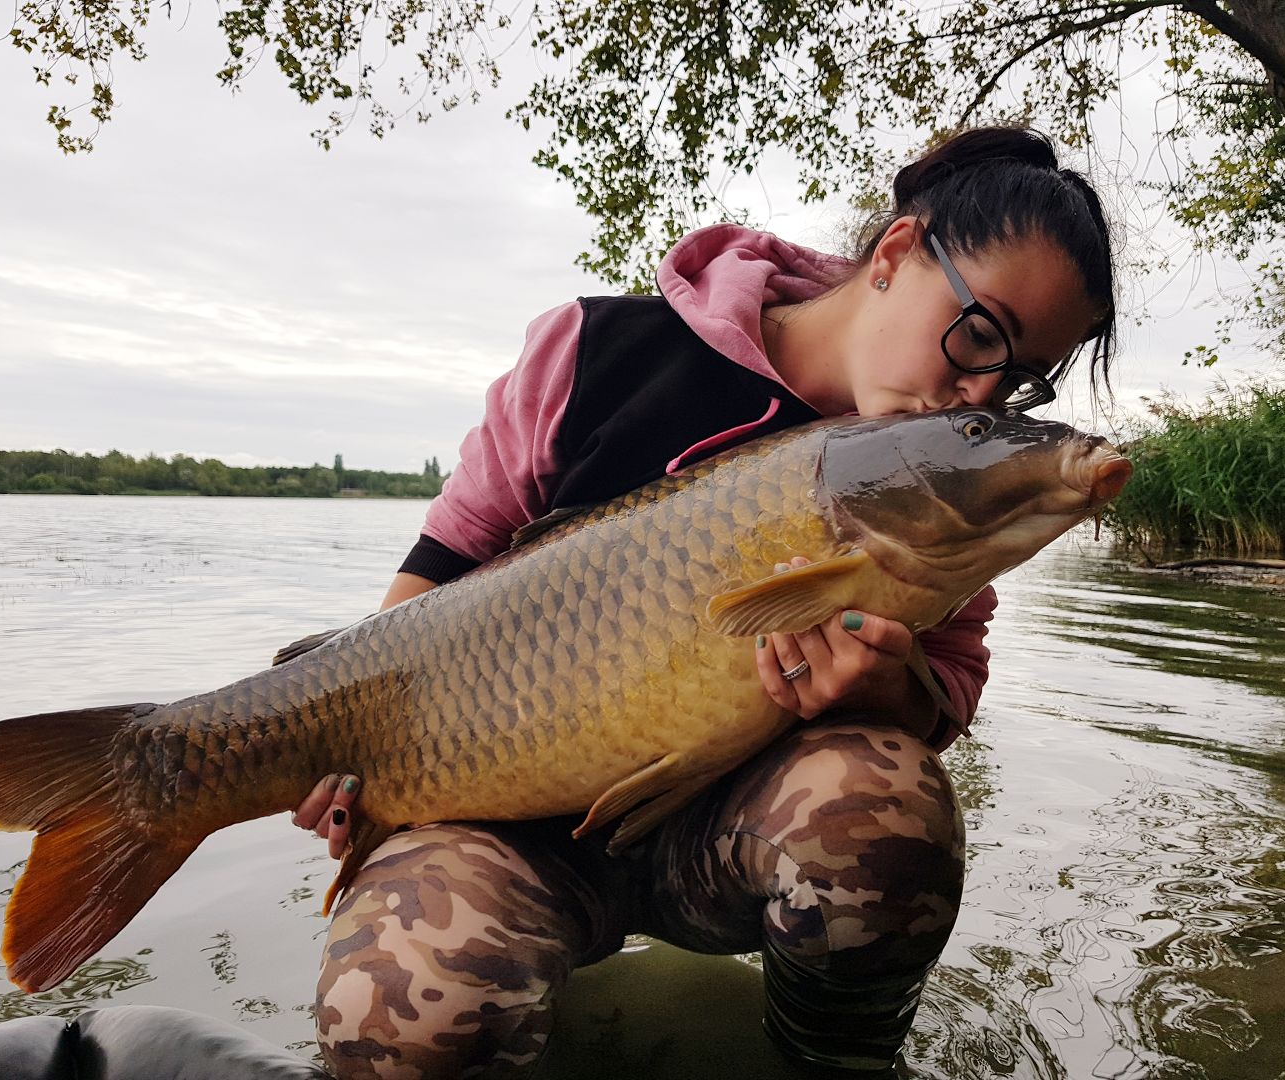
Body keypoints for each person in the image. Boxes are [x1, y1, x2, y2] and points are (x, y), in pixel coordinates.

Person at [294, 125, 1117, 1079]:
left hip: (724, 836)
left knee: (888, 802)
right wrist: (342, 745)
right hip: (500, 826)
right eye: (979, 334)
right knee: (393, 1012)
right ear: (895, 252)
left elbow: (948, 696)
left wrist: (884, 691)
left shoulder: (936, 482)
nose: (976, 388)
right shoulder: (598, 350)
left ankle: (832, 1063)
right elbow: (438, 570)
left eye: (1015, 382)